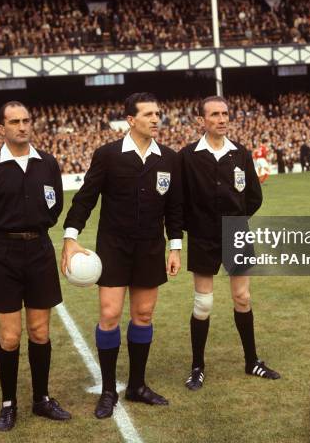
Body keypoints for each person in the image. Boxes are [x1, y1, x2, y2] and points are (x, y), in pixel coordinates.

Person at [61, 92, 183, 419]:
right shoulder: (108, 155)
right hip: (114, 247)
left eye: (158, 113)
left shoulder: (169, 158)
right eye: (149, 114)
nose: (156, 118)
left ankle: (137, 386)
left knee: (143, 315)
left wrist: (174, 247)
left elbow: (175, 208)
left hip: (150, 248)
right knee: (110, 314)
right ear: (131, 120)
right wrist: (70, 237)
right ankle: (107, 391)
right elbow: (85, 199)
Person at [0, 101, 70, 432]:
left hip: (39, 249)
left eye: (26, 120)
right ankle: (8, 404)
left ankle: (41, 399)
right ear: (1, 128)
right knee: (10, 336)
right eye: (14, 122)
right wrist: (0, 239)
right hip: (2, 254)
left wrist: (33, 230)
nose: (22, 126)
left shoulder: (48, 163)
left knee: (40, 331)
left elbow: (56, 206)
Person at [178, 95, 280, 390]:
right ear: (201, 120)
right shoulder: (188, 156)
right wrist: (197, 226)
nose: (222, 119)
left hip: (236, 231)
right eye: (214, 115)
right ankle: (197, 366)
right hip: (202, 236)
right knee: (203, 303)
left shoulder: (241, 154)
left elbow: (254, 197)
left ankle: (252, 361)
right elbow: (179, 202)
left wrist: (235, 222)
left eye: (225, 114)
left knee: (243, 298)